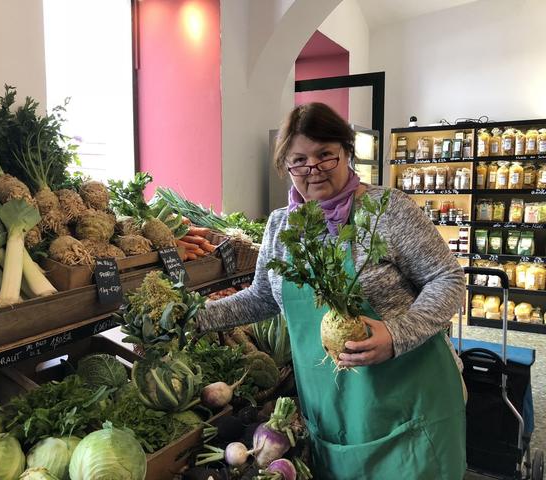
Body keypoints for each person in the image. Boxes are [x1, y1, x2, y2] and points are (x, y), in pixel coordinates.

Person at [199, 102, 467, 479]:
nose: (314, 169)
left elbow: (449, 278)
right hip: (332, 406)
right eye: (299, 161)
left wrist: (395, 333)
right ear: (286, 167)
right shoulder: (280, 227)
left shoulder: (387, 211)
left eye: (326, 155)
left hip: (408, 400)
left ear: (346, 152)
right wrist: (194, 318)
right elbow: (261, 298)